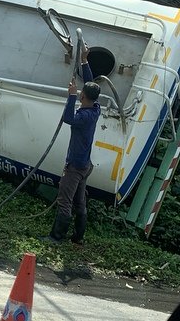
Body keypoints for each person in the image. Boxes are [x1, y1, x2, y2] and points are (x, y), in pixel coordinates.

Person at [42, 44, 101, 245]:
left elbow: (68, 118)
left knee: (65, 201)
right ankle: (78, 237)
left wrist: (71, 96)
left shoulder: (83, 117)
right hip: (85, 166)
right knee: (79, 202)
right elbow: (91, 83)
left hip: (75, 167)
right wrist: (84, 61)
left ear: (83, 96)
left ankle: (56, 237)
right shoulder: (95, 109)